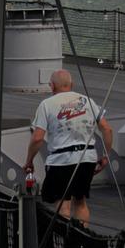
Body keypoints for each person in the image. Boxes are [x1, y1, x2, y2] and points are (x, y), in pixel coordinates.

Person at [22, 69, 115, 225]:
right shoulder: (88, 101)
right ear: (72, 84)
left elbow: (38, 138)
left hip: (61, 160)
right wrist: (106, 155)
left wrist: (29, 161)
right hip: (87, 158)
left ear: (51, 86)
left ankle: (63, 244)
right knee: (80, 201)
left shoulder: (47, 105)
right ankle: (82, 240)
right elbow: (107, 129)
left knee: (63, 206)